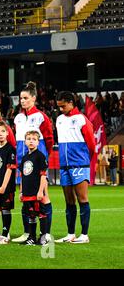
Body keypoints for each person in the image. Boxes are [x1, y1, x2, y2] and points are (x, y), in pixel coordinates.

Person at [12, 82, 54, 244]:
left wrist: (42, 157)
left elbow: (49, 139)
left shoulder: (41, 117)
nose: (23, 101)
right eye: (21, 98)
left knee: (43, 197)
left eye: (26, 98)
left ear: (34, 98)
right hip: (23, 165)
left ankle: (46, 234)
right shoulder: (18, 118)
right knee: (26, 199)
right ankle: (27, 233)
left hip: (37, 163)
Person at [55, 91, 95, 244]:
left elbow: (91, 144)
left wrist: (84, 160)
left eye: (63, 106)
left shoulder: (81, 119)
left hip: (79, 164)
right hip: (64, 165)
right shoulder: (59, 120)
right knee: (69, 201)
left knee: (82, 199)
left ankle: (84, 235)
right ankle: (70, 234)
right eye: (59, 107)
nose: (60, 109)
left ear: (71, 103)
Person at [19, 131, 49, 245]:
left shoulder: (40, 156)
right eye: (29, 139)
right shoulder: (24, 157)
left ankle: (43, 237)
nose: (31, 141)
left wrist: (41, 191)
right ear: (25, 141)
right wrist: (21, 191)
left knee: (41, 213)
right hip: (27, 192)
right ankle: (31, 237)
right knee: (30, 215)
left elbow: (43, 175)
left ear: (38, 141)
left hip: (36, 192)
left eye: (34, 139)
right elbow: (22, 176)